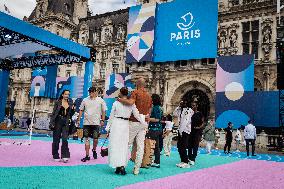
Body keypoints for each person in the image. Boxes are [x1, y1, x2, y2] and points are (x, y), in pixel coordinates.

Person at [106, 87, 147, 175]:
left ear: (120, 93)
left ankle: (117, 166)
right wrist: (144, 123)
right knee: (123, 146)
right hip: (125, 125)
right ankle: (122, 166)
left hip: (116, 124)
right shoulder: (131, 104)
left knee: (115, 145)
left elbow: (111, 116)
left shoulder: (116, 103)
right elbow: (137, 115)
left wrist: (108, 128)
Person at [117, 78, 152, 175]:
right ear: (144, 85)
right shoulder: (149, 96)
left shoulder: (135, 92)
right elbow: (149, 112)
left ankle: (122, 165)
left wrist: (120, 100)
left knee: (127, 144)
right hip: (143, 123)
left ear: (137, 84)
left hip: (133, 122)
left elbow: (131, 102)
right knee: (140, 147)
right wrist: (146, 125)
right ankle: (136, 169)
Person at [77, 87, 107, 162]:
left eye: (92, 92)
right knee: (86, 139)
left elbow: (104, 111)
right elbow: (81, 110)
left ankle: (94, 150)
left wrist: (102, 120)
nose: (90, 93)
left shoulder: (101, 100)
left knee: (95, 139)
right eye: (89, 92)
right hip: (86, 123)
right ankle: (87, 156)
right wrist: (78, 119)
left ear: (95, 92)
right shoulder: (85, 100)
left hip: (96, 123)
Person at [49, 90, 74, 163]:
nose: (67, 96)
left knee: (65, 139)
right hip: (58, 121)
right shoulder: (58, 102)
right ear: (62, 95)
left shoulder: (70, 102)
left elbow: (71, 114)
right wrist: (52, 122)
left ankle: (65, 155)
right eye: (66, 94)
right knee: (56, 139)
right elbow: (54, 113)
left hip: (66, 121)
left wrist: (73, 110)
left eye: (68, 94)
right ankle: (55, 155)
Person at [175, 100, 194, 168]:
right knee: (179, 146)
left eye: (183, 103)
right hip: (180, 130)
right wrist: (178, 107)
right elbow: (174, 113)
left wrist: (180, 131)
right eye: (181, 102)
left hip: (184, 131)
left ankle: (186, 162)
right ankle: (182, 161)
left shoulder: (188, 110)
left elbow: (185, 122)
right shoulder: (181, 110)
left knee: (183, 146)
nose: (182, 103)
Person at [146, 94, 163, 168]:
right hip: (158, 129)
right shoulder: (160, 107)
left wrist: (148, 118)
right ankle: (157, 161)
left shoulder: (156, 108)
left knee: (151, 145)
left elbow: (157, 119)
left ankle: (150, 160)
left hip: (154, 129)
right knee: (157, 146)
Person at [188, 102, 205, 166]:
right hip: (190, 131)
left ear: (197, 106)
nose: (193, 106)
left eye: (194, 105)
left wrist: (199, 127)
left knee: (195, 146)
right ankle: (189, 157)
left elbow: (203, 122)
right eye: (192, 105)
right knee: (189, 146)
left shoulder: (200, 114)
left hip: (197, 132)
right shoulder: (189, 113)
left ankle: (193, 159)